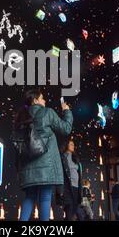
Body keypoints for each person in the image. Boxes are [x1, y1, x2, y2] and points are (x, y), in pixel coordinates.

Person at [14, 89, 73, 221]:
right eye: (42, 98)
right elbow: (66, 128)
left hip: (27, 165)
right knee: (45, 197)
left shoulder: (21, 117)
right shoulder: (47, 112)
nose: (45, 100)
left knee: (29, 197)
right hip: (46, 165)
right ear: (35, 100)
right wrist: (66, 111)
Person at [59, 139, 83, 221]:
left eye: (73, 144)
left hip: (76, 186)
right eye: (71, 144)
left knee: (75, 210)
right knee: (69, 209)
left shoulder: (75, 158)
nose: (73, 146)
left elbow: (79, 172)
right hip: (68, 186)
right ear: (66, 146)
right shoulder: (63, 157)